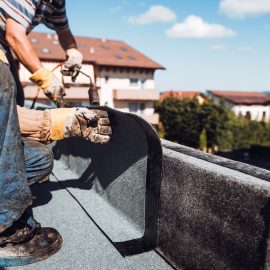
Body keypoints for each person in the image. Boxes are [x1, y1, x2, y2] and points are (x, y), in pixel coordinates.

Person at [0, 0, 111, 267]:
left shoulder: (54, 3)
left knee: (38, 158)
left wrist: (73, 53)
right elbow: (15, 35)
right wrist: (48, 83)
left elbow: (63, 30)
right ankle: (6, 233)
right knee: (4, 83)